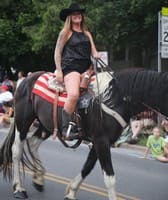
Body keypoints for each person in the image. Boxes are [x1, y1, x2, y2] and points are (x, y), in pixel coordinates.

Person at [53, 3, 100, 140]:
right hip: (71, 68)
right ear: (70, 17)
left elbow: (94, 52)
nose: (77, 15)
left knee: (101, 94)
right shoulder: (65, 33)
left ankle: (91, 125)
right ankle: (66, 128)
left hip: (86, 69)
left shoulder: (87, 34)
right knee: (73, 95)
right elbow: (57, 52)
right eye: (74, 14)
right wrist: (59, 71)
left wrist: (96, 56)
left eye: (79, 13)